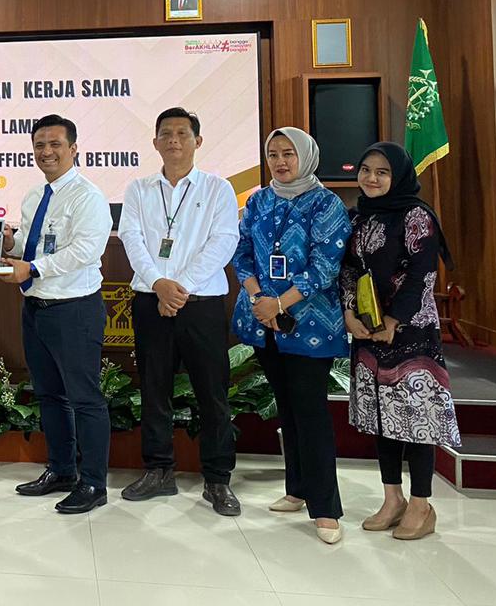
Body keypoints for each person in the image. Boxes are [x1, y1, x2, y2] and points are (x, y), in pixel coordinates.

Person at [117, 108, 242, 515]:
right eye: (166, 134)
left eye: (182, 134)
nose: (173, 140)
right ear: (155, 142)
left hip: (201, 305)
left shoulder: (218, 188)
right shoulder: (138, 189)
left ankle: (218, 480)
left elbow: (223, 242)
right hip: (150, 302)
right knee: (154, 391)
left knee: (212, 394)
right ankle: (159, 471)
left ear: (197, 141)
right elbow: (131, 239)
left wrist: (178, 287)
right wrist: (159, 284)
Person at [232, 127, 350, 544]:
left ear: (306, 156)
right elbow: (242, 254)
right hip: (263, 322)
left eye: (288, 154)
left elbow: (325, 267)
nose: (280, 162)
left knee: (311, 412)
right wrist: (258, 298)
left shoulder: (326, 203)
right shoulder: (258, 200)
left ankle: (326, 509)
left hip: (309, 324)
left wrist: (279, 304)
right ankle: (297, 489)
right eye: (273, 154)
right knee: (287, 407)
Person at [340, 142, 460, 541]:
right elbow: (348, 270)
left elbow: (422, 275)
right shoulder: (358, 216)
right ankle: (392, 499)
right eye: (366, 170)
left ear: (399, 176)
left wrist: (393, 320)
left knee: (416, 418)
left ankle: (421, 504)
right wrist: (350, 313)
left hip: (411, 334)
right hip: (368, 330)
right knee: (382, 417)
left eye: (382, 172)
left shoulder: (415, 216)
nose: (371, 178)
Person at [0, 115, 113, 514]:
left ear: (73, 148)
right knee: (49, 394)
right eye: (39, 145)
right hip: (36, 308)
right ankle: (62, 470)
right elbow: (30, 247)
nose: (46, 152)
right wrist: (10, 247)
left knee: (85, 399)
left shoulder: (88, 197)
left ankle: (94, 483)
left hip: (74, 310)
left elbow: (85, 251)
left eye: (55, 144)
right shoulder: (35, 195)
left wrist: (31, 268)